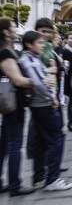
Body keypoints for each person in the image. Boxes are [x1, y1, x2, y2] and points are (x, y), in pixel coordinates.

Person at [19, 30, 72, 191]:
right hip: (43, 104)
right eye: (40, 43)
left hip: (39, 104)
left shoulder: (32, 58)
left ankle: (39, 176)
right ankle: (52, 179)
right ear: (29, 44)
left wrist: (48, 76)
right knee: (56, 139)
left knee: (42, 141)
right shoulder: (29, 59)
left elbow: (45, 77)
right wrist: (52, 97)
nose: (43, 46)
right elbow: (38, 82)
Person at [0, 18, 35, 196]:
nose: (16, 29)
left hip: (11, 103)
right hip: (14, 103)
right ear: (5, 32)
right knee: (14, 144)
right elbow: (18, 80)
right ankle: (15, 184)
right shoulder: (5, 53)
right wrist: (38, 81)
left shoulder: (8, 50)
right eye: (13, 27)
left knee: (5, 142)